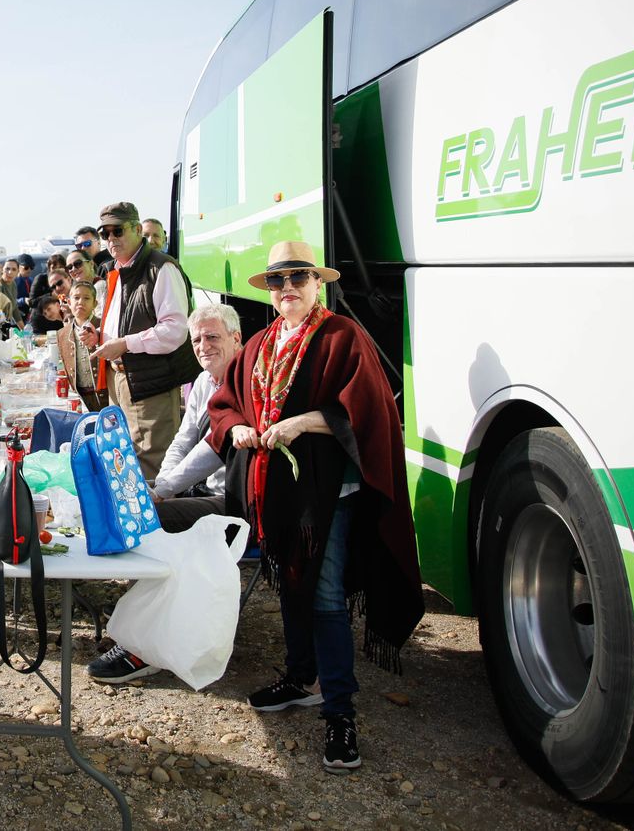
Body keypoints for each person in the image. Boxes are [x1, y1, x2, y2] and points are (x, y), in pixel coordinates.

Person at [206, 241, 424, 774]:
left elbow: (368, 411)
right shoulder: (260, 343)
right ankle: (301, 677)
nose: (287, 288)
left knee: (324, 593)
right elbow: (225, 403)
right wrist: (237, 427)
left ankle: (339, 712)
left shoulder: (341, 337)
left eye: (298, 277)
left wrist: (304, 422)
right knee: (290, 581)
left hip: (328, 495)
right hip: (277, 494)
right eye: (277, 280)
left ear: (317, 284)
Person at [87, 302, 243, 684]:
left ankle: (142, 647)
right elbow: (184, 438)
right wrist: (161, 482)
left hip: (235, 500)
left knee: (149, 519)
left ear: (236, 339)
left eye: (213, 337)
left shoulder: (242, 382)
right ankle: (142, 618)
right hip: (201, 489)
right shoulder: (205, 381)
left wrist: (164, 490)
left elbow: (212, 448)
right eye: (197, 340)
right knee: (135, 506)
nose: (203, 346)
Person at [82, 201, 199, 481]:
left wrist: (124, 344)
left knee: (152, 468)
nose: (111, 239)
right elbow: (125, 320)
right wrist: (99, 334)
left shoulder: (161, 268)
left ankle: (158, 512)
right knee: (127, 462)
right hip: (121, 379)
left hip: (149, 384)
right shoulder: (117, 270)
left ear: (137, 230)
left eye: (118, 231)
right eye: (105, 233)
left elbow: (175, 331)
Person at [56, 280, 107, 412]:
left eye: (86, 298)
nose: (80, 302)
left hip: (107, 396)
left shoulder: (105, 326)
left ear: (95, 303)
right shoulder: (62, 334)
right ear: (69, 302)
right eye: (76, 298)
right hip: (80, 398)